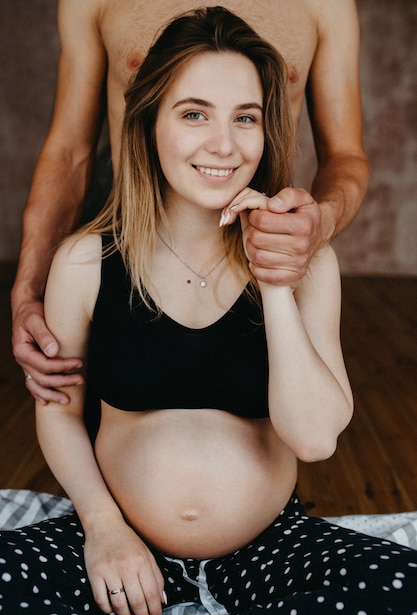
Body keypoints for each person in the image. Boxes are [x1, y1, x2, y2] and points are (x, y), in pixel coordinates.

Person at [1, 8, 416, 615]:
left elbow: (314, 437)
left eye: (245, 118)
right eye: (194, 113)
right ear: (148, 124)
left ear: (266, 131)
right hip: (121, 538)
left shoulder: (310, 265)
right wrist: (104, 527)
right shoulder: (87, 260)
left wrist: (275, 280)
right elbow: (58, 414)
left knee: (404, 592)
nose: (223, 144)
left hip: (268, 546)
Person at [11, 0, 370, 406]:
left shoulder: (326, 5)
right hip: (132, 256)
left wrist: (317, 226)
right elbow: (69, 153)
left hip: (253, 258)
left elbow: (345, 155)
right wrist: (28, 291)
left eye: (245, 118)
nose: (221, 142)